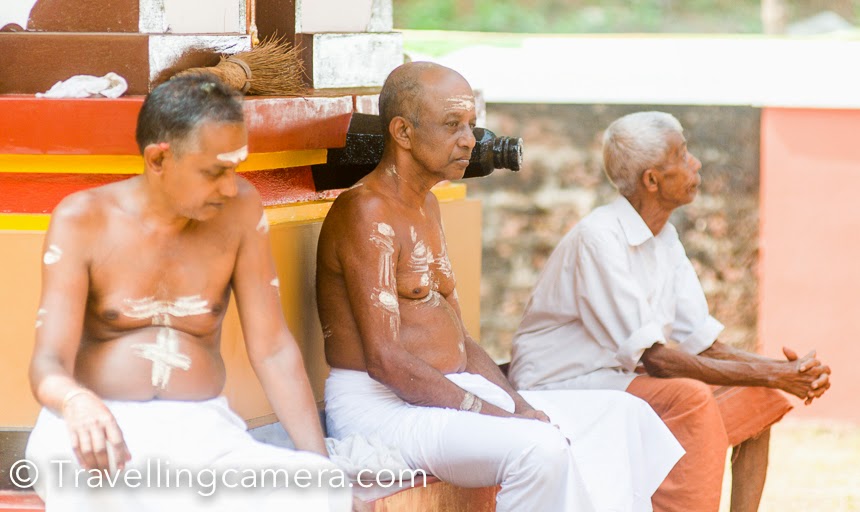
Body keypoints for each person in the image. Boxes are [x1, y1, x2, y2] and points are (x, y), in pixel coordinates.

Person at [317, 62, 684, 512]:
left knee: (625, 416)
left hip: (446, 396)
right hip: (382, 411)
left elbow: (462, 341)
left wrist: (518, 406)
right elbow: (385, 361)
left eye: (470, 124)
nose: (470, 140)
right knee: (539, 449)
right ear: (403, 132)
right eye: (452, 125)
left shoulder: (427, 206)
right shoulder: (365, 211)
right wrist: (497, 414)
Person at [25, 76, 351, 511]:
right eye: (214, 172)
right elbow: (47, 363)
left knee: (320, 487)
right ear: (159, 159)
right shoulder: (83, 219)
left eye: (234, 169)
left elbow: (272, 349)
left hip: (202, 432)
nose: (230, 187)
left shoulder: (240, 211)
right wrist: (75, 401)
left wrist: (319, 462)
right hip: (95, 432)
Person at [508, 111, 833, 512]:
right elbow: (658, 361)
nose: (695, 163)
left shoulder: (665, 235)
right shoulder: (599, 237)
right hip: (561, 384)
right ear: (651, 180)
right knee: (689, 398)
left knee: (760, 397)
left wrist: (783, 373)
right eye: (682, 155)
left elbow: (706, 345)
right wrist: (776, 372)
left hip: (622, 378)